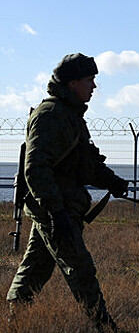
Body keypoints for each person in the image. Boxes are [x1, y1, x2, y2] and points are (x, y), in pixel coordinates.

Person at [6, 53, 129, 332]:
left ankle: (13, 322)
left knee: (34, 270)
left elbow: (85, 163)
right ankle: (105, 326)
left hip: (59, 208)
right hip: (55, 210)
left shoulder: (70, 115)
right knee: (81, 269)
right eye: (89, 80)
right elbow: (36, 169)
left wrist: (113, 182)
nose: (94, 87)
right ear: (73, 83)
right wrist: (56, 213)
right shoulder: (50, 116)